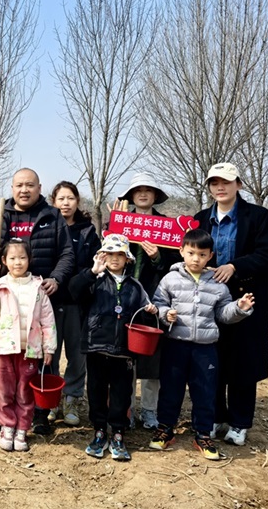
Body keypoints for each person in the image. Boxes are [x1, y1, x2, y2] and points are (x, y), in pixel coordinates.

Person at [149, 229, 255, 460]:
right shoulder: (171, 278)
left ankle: (203, 434)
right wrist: (166, 314)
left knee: (205, 392)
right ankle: (165, 429)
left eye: (202, 254)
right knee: (170, 389)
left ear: (210, 256)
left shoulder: (217, 283)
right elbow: (158, 303)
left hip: (205, 349)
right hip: (176, 345)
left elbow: (223, 314)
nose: (196, 258)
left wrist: (240, 308)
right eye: (191, 253)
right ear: (181, 252)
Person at [0, 168, 74, 434]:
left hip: (39, 297)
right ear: (12, 188)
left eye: (30, 185)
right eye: (19, 185)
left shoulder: (52, 216)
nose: (24, 190)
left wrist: (56, 278)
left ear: (39, 187)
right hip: (8, 299)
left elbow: (67, 254)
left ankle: (39, 414)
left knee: (42, 356)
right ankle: (2, 414)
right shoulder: (3, 216)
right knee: (3, 362)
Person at [194, 162, 268, 447]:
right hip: (209, 300)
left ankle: (240, 422)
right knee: (211, 359)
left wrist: (234, 266)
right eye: (214, 182)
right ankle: (215, 415)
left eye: (226, 182)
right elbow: (189, 252)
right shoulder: (201, 218)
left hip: (245, 298)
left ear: (238, 184)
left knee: (243, 362)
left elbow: (266, 254)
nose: (220, 187)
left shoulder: (257, 217)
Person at [68, 234, 157, 462]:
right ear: (102, 256)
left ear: (127, 259)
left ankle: (118, 432)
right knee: (96, 391)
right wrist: (92, 271)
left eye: (119, 255)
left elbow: (143, 311)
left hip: (124, 351)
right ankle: (99, 431)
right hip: (96, 347)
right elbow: (74, 291)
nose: (114, 259)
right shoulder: (94, 280)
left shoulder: (136, 286)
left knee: (121, 393)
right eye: (109, 254)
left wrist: (151, 313)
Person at [114, 173, 180, 430]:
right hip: (125, 299)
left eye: (148, 190)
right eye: (137, 190)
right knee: (125, 359)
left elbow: (174, 266)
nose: (142, 194)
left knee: (153, 360)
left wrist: (156, 258)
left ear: (155, 196)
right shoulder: (121, 222)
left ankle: (150, 411)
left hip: (155, 301)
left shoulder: (167, 227)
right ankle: (127, 408)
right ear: (131, 196)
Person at [0, 239, 56, 452]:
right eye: (12, 258)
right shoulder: (0, 285)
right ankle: (7, 426)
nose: (18, 262)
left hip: (29, 350)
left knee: (25, 391)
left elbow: (47, 320)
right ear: (4, 261)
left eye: (22, 258)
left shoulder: (37, 288)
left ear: (29, 260)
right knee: (3, 389)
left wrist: (49, 347)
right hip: (4, 348)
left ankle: (22, 427)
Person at [49, 181, 100, 426]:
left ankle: (72, 398)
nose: (65, 203)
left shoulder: (87, 232)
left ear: (78, 201)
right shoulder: (47, 228)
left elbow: (95, 266)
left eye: (70, 198)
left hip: (78, 303)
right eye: (61, 198)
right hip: (50, 301)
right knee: (50, 352)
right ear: (53, 202)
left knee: (77, 354)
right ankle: (51, 399)